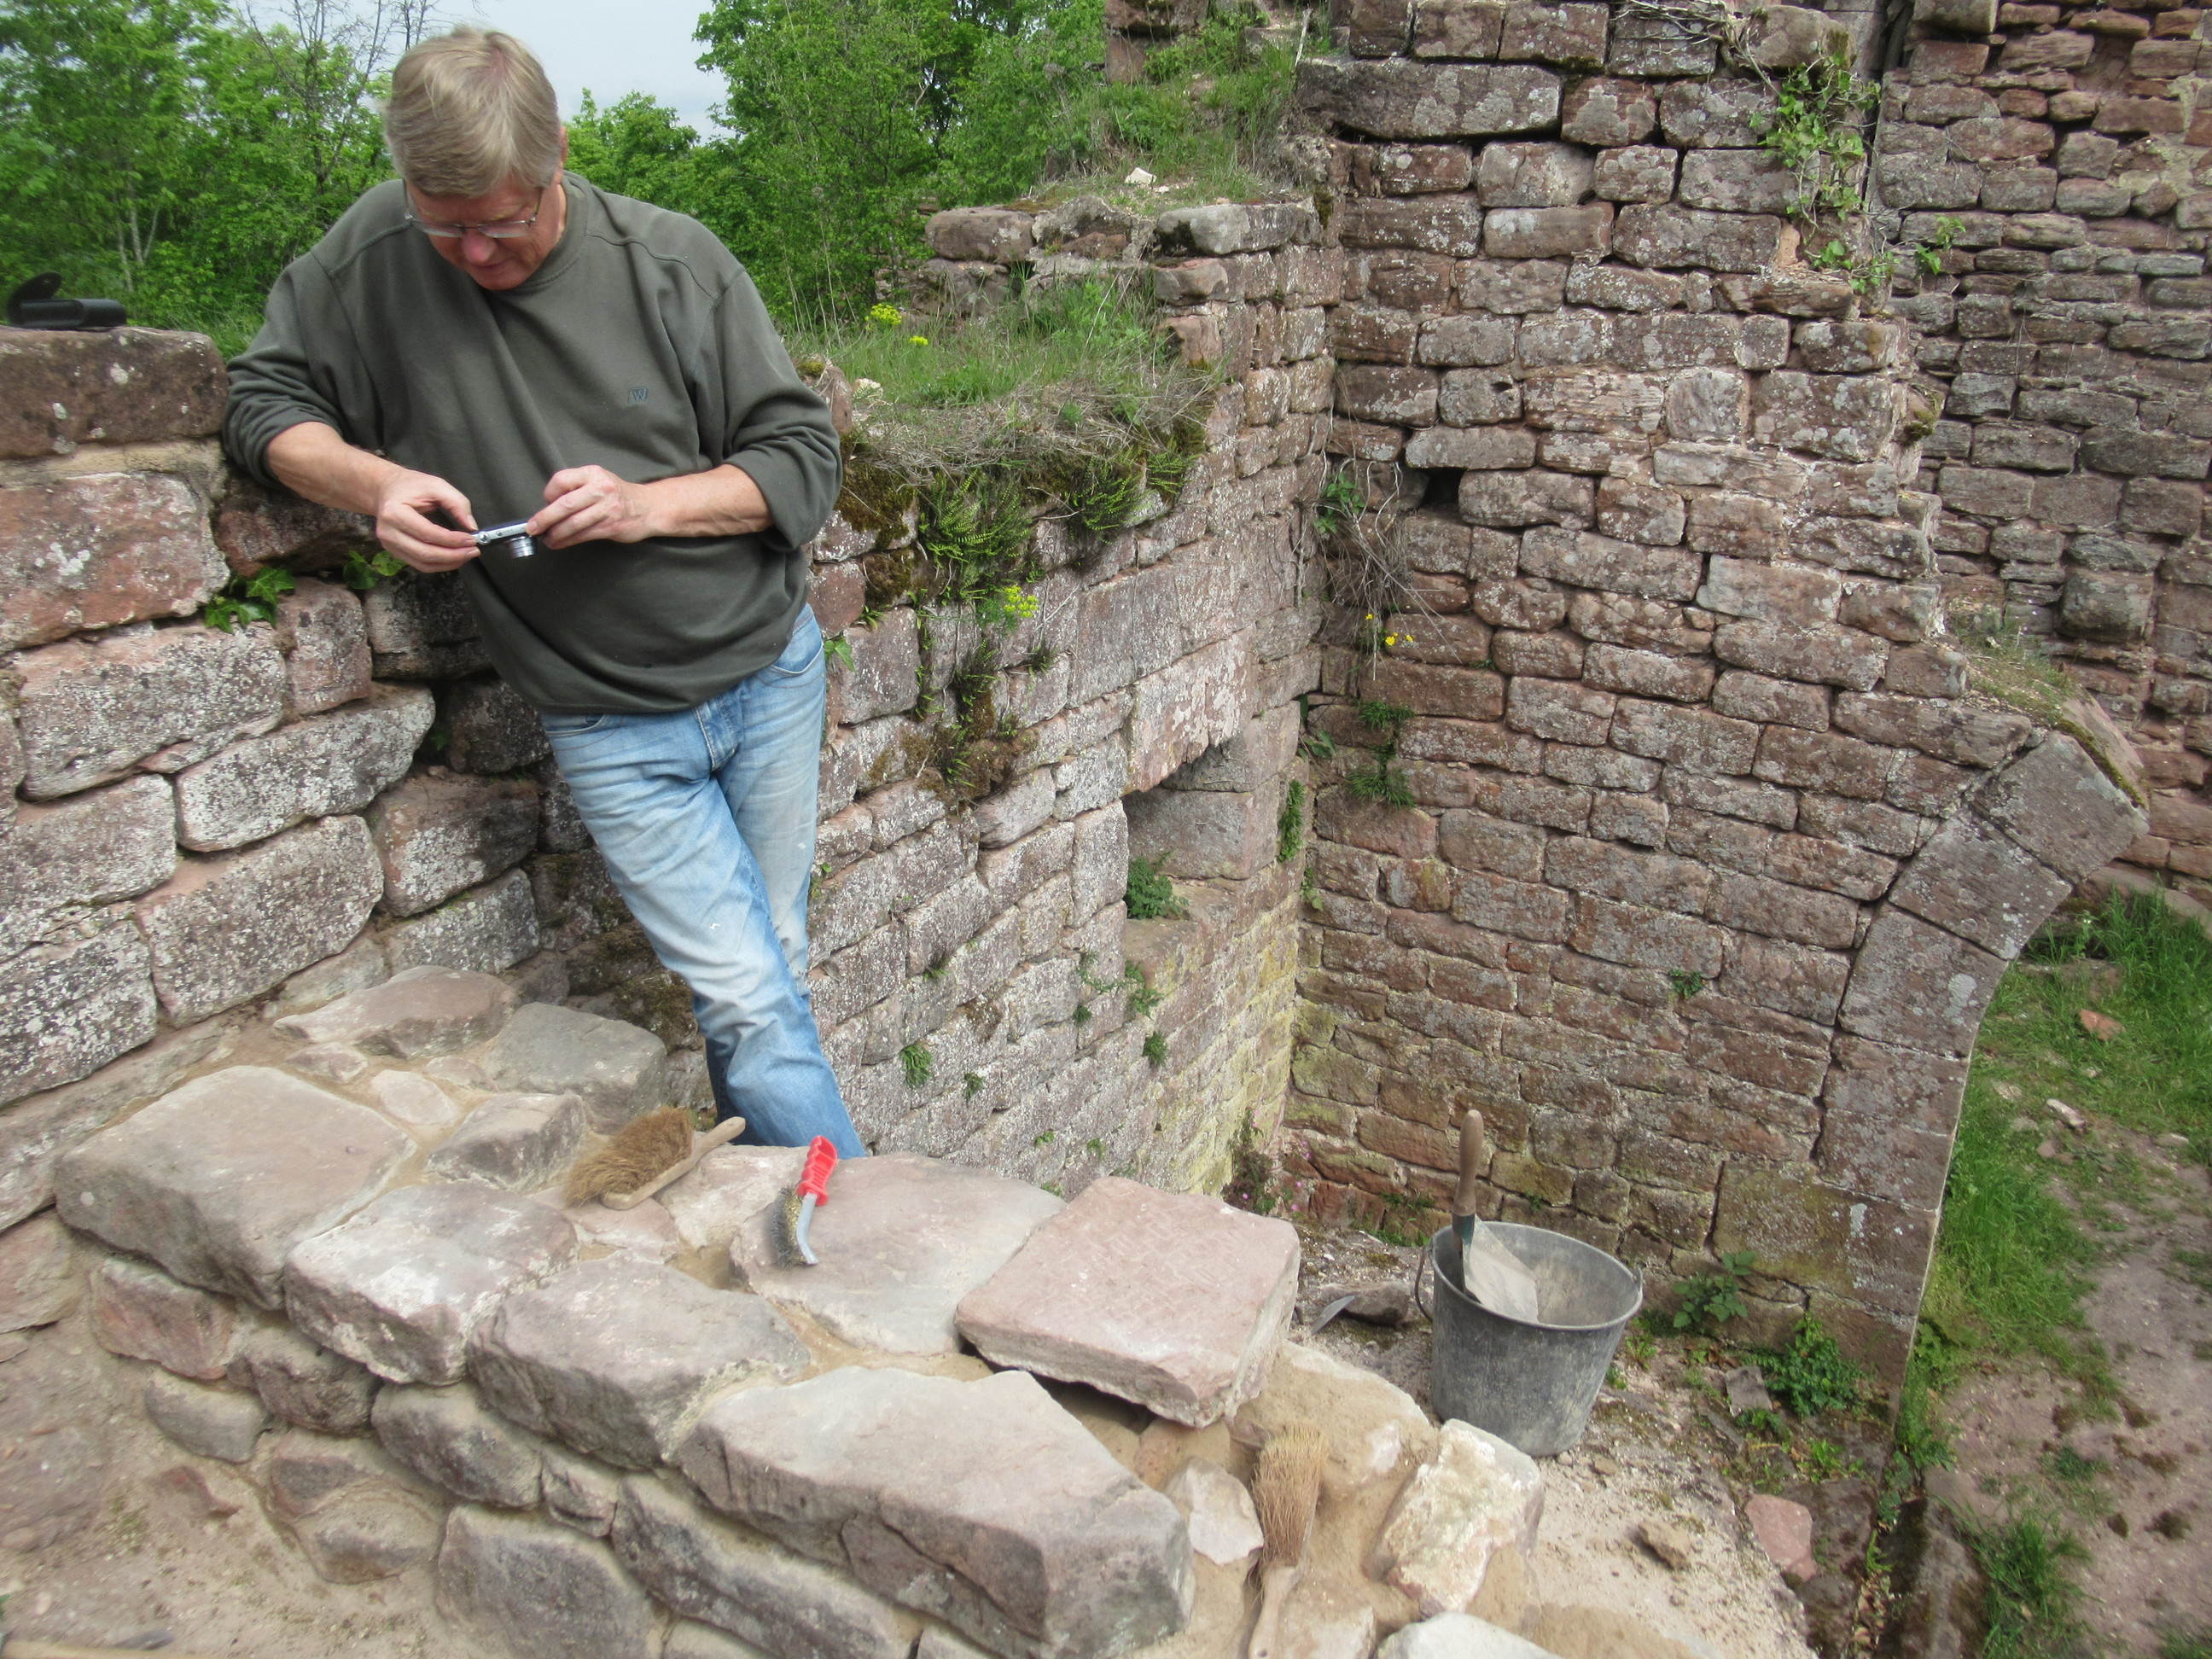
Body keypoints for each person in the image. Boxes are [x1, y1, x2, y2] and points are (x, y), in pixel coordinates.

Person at [224, 26, 863, 1156]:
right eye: (445, 225)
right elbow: (261, 404)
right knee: (749, 996)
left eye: (503, 220)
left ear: (558, 154)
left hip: (767, 674)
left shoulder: (671, 262)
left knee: (773, 977)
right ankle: (853, 1227)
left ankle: (776, 1200)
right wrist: (376, 486)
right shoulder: (371, 257)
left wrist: (644, 506)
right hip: (608, 718)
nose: (474, 252)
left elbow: (802, 461)